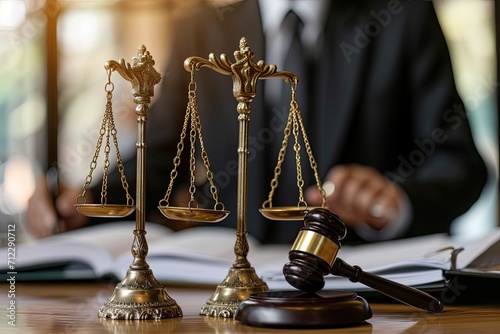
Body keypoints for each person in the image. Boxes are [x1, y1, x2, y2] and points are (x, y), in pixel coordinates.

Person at [27, 0, 487, 244]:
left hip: (359, 292)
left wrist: (395, 201)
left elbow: (459, 164)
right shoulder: (201, 32)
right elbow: (162, 154)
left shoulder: (401, 16)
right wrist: (86, 201)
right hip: (229, 292)